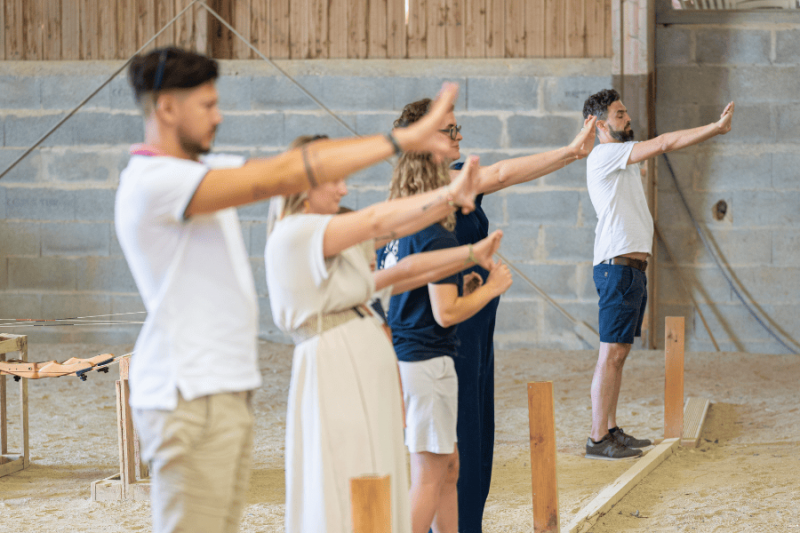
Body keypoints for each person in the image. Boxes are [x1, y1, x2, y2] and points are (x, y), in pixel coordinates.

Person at [114, 46, 463, 533]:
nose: (218, 116)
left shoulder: (196, 173)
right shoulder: (155, 181)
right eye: (207, 105)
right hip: (186, 390)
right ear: (167, 107)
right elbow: (288, 174)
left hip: (220, 386)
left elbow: (298, 164)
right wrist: (402, 140)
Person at [266, 136, 504, 533]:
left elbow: (403, 268)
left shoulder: (323, 236)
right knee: (352, 472)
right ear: (303, 187)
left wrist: (467, 255)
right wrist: (448, 195)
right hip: (337, 364)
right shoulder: (298, 233)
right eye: (334, 180)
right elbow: (381, 221)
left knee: (382, 469)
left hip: (364, 363)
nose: (344, 189)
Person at [392, 98, 597, 532]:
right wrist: (569, 151)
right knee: (455, 450)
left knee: (470, 447)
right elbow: (503, 172)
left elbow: (503, 175)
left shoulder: (452, 187)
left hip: (475, 328)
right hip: (450, 333)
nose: (460, 136)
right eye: (450, 130)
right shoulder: (436, 198)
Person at [582, 88, 734, 459]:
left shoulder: (624, 160)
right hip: (615, 269)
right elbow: (665, 142)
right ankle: (597, 438)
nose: (628, 118)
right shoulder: (604, 154)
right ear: (600, 125)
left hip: (631, 270)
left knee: (619, 353)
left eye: (625, 112)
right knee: (609, 353)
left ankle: (610, 429)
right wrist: (714, 128)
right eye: (620, 115)